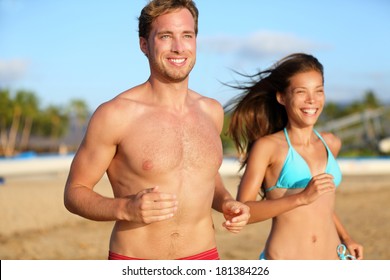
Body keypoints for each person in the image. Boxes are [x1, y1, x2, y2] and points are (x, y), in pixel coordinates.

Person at [64, 0, 249, 260]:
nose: (178, 47)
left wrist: (226, 201)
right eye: (165, 36)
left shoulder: (212, 111)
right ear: (144, 45)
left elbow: (205, 175)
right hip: (137, 261)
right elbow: (75, 192)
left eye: (187, 35)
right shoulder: (116, 114)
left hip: (205, 257)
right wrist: (125, 208)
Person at [225, 53, 363, 260]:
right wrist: (300, 198)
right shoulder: (268, 147)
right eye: (301, 92)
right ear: (282, 97)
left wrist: (346, 237)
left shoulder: (331, 143)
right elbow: (243, 212)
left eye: (319, 91)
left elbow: (323, 205)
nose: (312, 100)